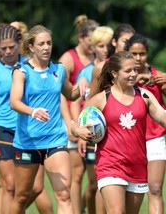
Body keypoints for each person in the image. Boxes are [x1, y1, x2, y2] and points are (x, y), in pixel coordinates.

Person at [74, 51, 166, 213]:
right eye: (128, 71)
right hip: (110, 165)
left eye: (135, 70)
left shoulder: (144, 96)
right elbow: (77, 124)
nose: (133, 74)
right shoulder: (101, 99)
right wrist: (78, 131)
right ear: (114, 73)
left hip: (137, 167)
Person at [8, 25, 86, 214]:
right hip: (28, 142)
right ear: (31, 47)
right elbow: (14, 102)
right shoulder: (22, 71)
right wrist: (32, 111)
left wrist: (82, 83)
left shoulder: (58, 70)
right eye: (41, 44)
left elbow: (71, 94)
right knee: (22, 197)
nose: (46, 47)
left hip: (55, 140)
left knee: (64, 195)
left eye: (49, 43)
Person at [0, 22, 54, 214]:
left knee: (35, 188)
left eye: (12, 47)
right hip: (4, 131)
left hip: (28, 131)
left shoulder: (30, 65)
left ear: (20, 44)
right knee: (8, 186)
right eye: (3, 48)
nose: (7, 51)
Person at [125, 33, 166, 214]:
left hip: (154, 139)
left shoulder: (157, 77)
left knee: (155, 189)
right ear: (127, 53)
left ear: (147, 54)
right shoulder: (120, 77)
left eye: (142, 54)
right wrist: (139, 79)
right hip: (128, 141)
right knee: (130, 193)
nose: (138, 58)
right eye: (134, 54)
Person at [59, 14, 99, 214]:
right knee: (76, 175)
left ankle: (83, 207)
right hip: (72, 117)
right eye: (92, 41)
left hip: (92, 120)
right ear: (81, 38)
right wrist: (70, 124)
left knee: (95, 181)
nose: (95, 46)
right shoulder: (68, 58)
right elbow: (58, 93)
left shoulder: (98, 58)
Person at [72, 26, 113, 214]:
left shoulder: (115, 68)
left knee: (102, 183)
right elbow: (76, 102)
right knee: (93, 183)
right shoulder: (87, 71)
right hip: (92, 131)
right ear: (94, 47)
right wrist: (79, 130)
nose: (105, 49)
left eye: (108, 45)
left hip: (110, 131)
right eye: (101, 45)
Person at [87, 23, 135, 99]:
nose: (128, 45)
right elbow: (90, 100)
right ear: (114, 42)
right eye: (125, 41)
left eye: (131, 42)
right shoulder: (100, 68)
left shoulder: (139, 66)